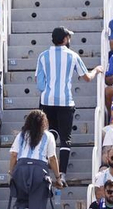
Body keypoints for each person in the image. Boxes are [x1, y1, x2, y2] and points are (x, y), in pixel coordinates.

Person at [35, 27, 101, 163]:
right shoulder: (72, 55)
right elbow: (87, 77)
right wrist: (96, 70)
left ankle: (46, 164)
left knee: (50, 133)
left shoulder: (43, 55)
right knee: (65, 138)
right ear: (65, 39)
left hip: (47, 100)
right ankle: (63, 174)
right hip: (65, 101)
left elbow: (39, 83)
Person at [10, 109, 64, 209]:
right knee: (37, 206)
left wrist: (11, 172)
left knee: (21, 198)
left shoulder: (21, 135)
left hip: (20, 168)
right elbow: (52, 158)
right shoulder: (48, 136)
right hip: (39, 170)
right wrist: (58, 177)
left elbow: (14, 155)